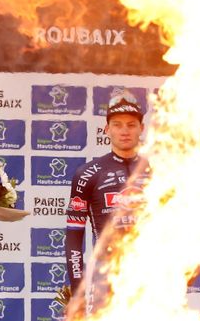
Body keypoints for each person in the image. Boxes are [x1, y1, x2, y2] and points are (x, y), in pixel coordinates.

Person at [65, 91, 149, 315]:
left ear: (141, 129)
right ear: (106, 129)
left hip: (152, 276)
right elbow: (74, 238)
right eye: (118, 124)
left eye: (131, 125)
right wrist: (78, 293)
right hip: (107, 279)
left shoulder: (160, 170)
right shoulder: (87, 174)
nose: (124, 131)